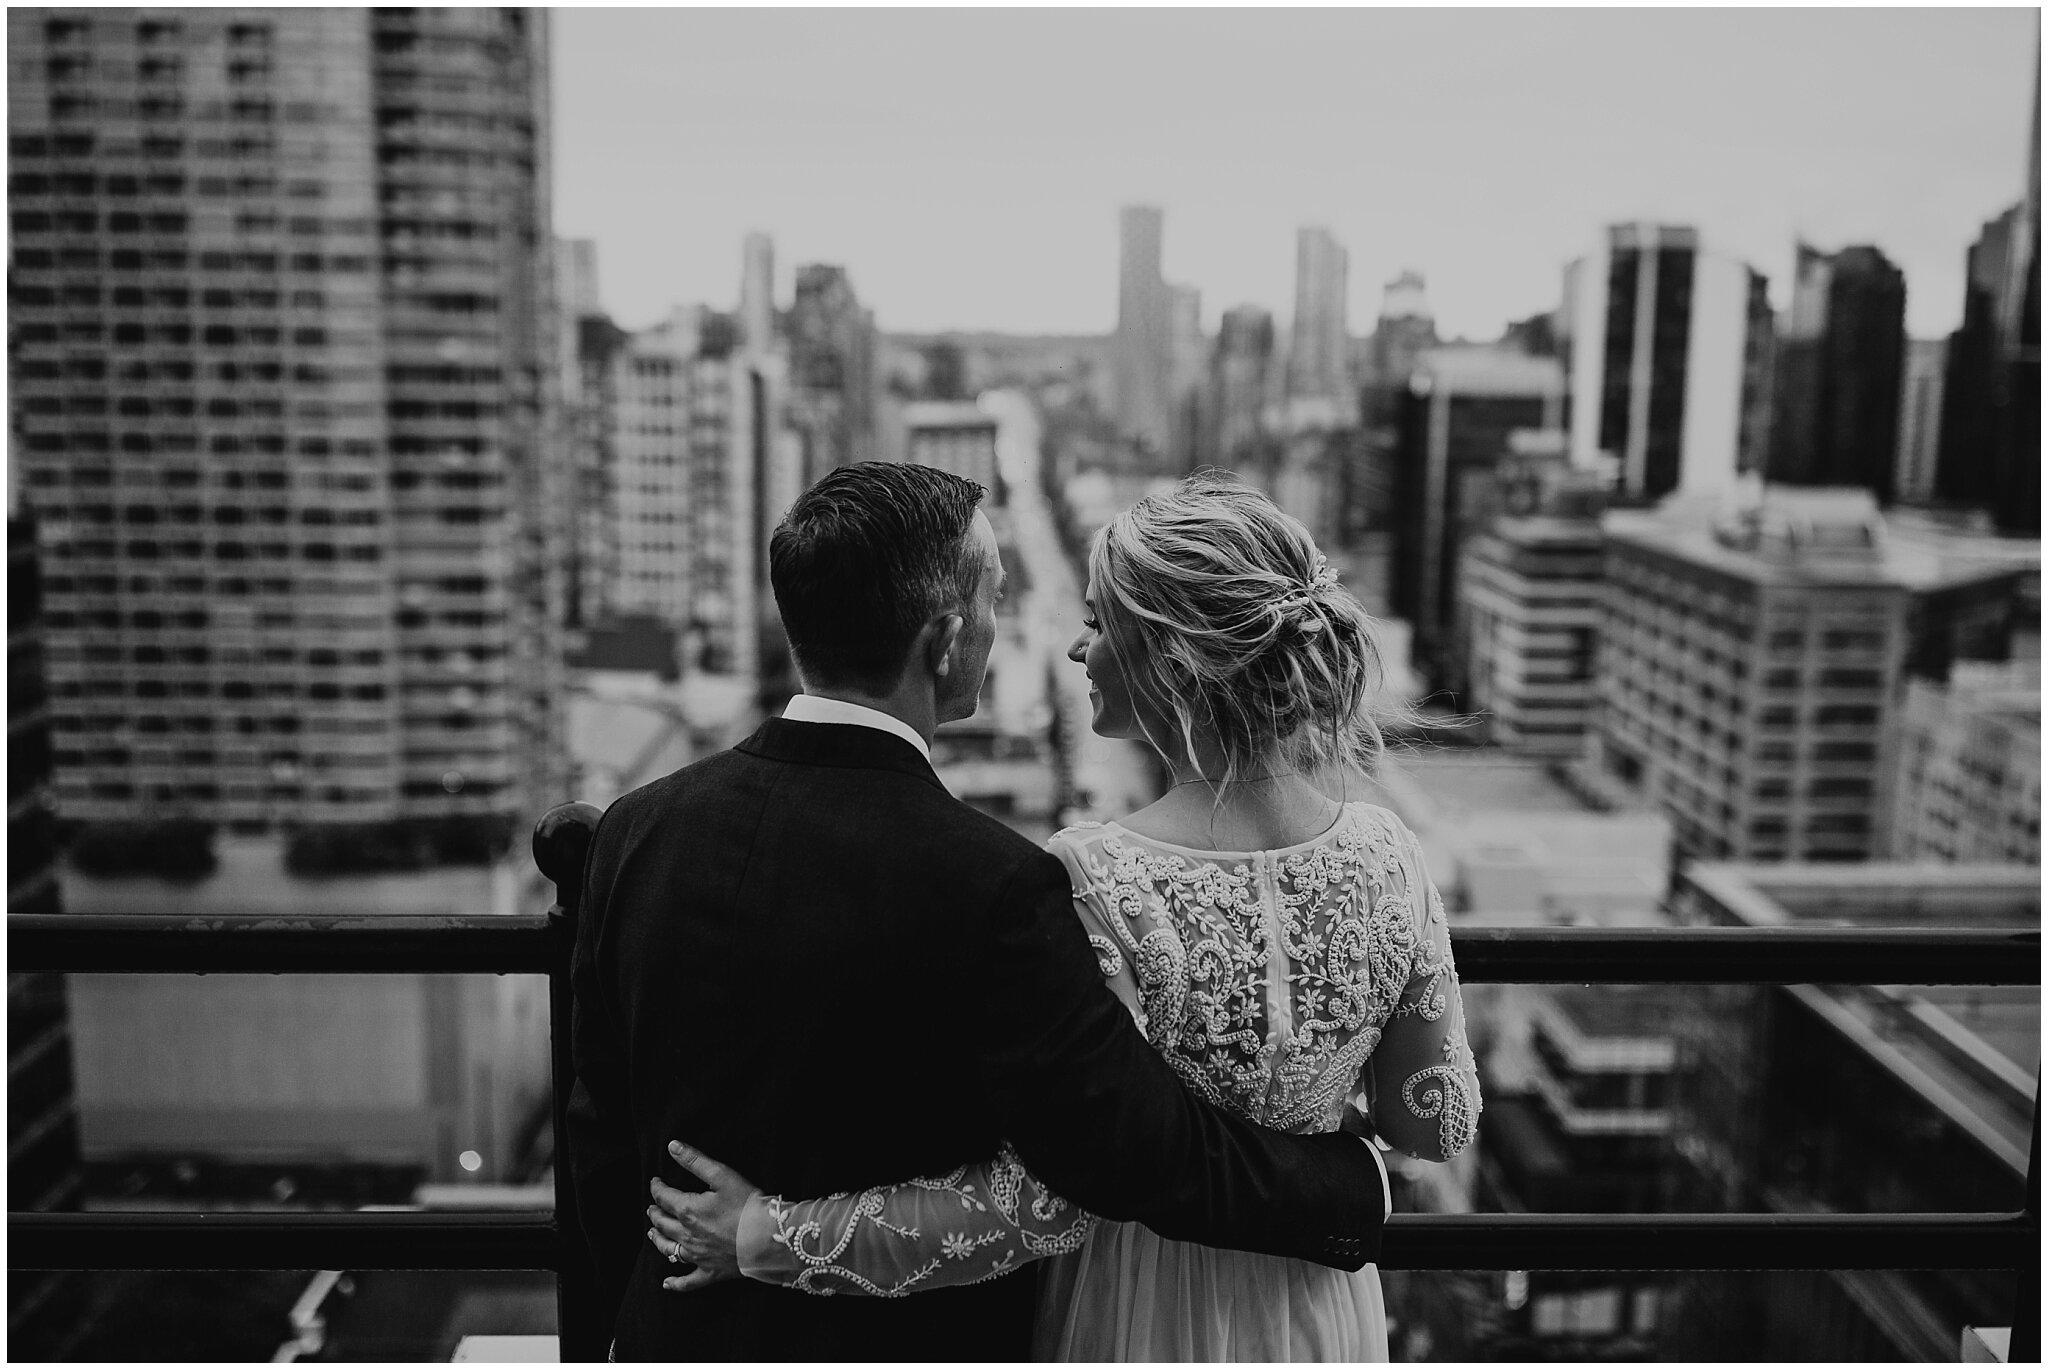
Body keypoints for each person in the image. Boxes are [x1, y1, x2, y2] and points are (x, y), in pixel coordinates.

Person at [646, 472, 1482, 1361]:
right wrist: (1318, 1122)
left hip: (1134, 1307)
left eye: (1096, 623)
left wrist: (770, 1233)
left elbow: (1041, 1203)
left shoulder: (1094, 875)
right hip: (1320, 1297)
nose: (1078, 651)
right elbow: (1436, 1122)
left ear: (1171, 655)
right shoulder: (1387, 854)